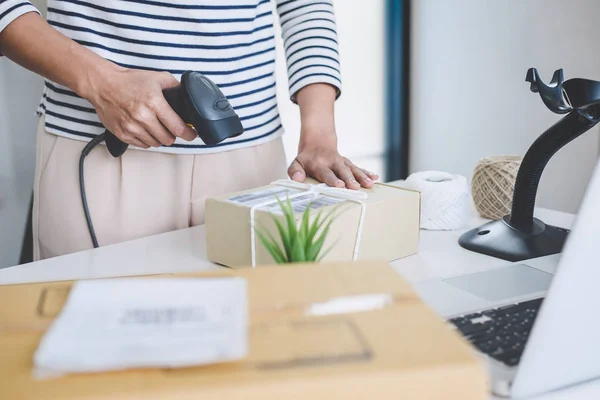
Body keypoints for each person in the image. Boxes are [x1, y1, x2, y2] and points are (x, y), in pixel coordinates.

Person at [0, 0, 378, 261]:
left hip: (251, 165)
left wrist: (319, 136)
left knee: (253, 343)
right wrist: (102, 83)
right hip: (102, 151)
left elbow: (304, 6)